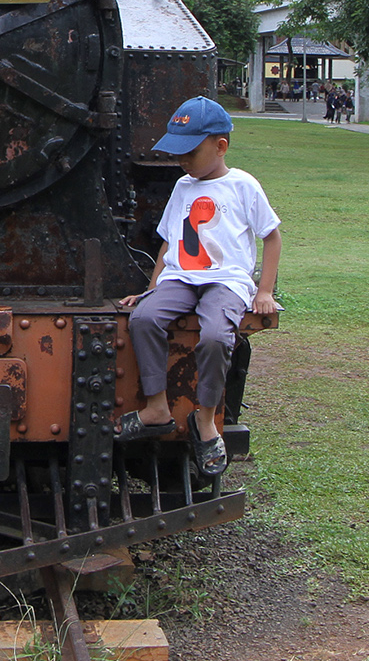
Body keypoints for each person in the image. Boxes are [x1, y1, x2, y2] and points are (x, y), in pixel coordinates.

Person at [116, 96, 281, 478]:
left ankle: (205, 420)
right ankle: (157, 408)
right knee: (144, 319)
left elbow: (271, 237)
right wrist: (151, 289)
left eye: (189, 152)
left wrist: (265, 291)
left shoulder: (243, 185)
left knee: (214, 337)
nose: (181, 160)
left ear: (220, 146)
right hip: (181, 278)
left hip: (226, 281)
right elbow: (169, 243)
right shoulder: (182, 187)